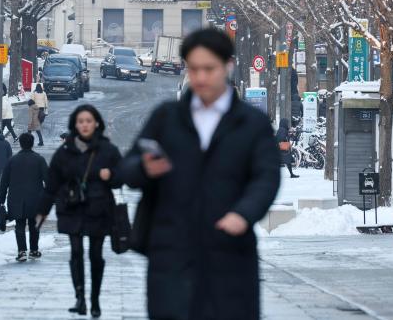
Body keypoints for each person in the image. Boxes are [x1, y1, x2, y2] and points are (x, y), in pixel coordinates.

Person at [117, 28, 281, 320]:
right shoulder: (166, 118)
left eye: (209, 69)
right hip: (172, 252)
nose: (201, 77)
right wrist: (144, 168)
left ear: (228, 66)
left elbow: (266, 177)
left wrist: (243, 214)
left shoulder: (251, 123)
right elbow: (127, 169)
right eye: (194, 69)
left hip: (229, 251)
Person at [37, 105, 123, 318]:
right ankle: (80, 297)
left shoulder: (107, 150)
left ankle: (95, 299)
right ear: (75, 125)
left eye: (88, 121)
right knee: (76, 252)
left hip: (99, 208)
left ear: (96, 124)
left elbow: (123, 176)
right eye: (80, 121)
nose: (84, 125)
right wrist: (43, 210)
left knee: (95, 255)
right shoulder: (65, 151)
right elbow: (52, 184)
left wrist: (110, 175)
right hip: (71, 207)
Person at [0, 132, 48, 262]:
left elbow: (4, 182)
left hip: (16, 199)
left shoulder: (12, 161)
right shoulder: (39, 159)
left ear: (20, 144)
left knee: (19, 225)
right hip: (36, 198)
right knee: (34, 225)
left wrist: (1, 200)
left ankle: (21, 251)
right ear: (32, 143)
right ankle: (33, 250)